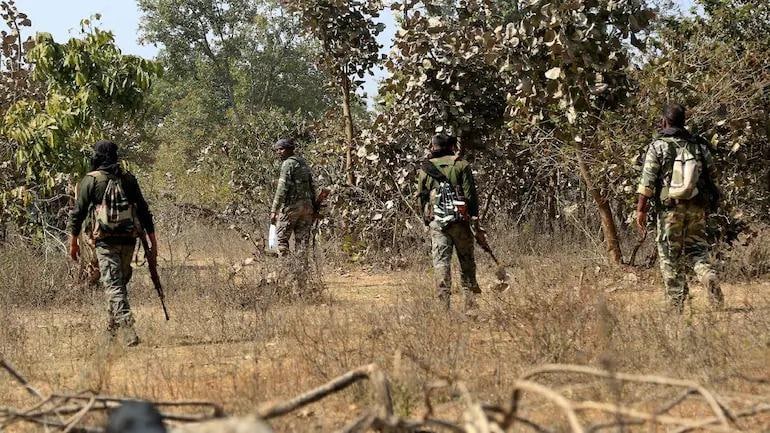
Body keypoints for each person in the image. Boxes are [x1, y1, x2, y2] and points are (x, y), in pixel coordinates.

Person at [68, 140, 157, 346]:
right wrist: (153, 243)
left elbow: (78, 214)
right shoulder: (128, 179)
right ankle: (110, 333)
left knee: (114, 285)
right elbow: (144, 211)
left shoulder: (90, 180)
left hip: (105, 241)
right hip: (128, 240)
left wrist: (74, 242)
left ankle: (128, 331)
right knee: (118, 285)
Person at [636, 104, 723, 312]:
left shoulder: (658, 146)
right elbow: (713, 176)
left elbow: (647, 181)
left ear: (664, 121)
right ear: (684, 121)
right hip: (696, 208)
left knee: (669, 254)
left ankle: (676, 303)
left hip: (669, 210)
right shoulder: (698, 145)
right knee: (697, 249)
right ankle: (707, 275)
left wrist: (641, 209)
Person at [417, 134, 481, 312]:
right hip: (460, 222)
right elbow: (470, 196)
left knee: (441, 263)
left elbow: (422, 198)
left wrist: (426, 220)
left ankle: (443, 309)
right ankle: (470, 307)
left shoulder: (425, 168)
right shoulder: (462, 165)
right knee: (467, 262)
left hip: (438, 223)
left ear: (433, 146)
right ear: (451, 146)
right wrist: (474, 219)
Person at [270, 139, 318, 287]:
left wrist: (274, 209)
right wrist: (314, 207)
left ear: (289, 149)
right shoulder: (303, 163)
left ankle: (288, 271)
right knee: (302, 243)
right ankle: (301, 278)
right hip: (307, 208)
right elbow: (312, 186)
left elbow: (282, 189)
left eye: (281, 149)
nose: (278, 152)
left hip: (292, 207)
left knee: (281, 240)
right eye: (277, 150)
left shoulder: (288, 164)